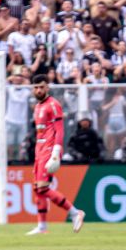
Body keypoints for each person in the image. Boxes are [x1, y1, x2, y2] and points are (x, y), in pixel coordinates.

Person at [26, 74, 85, 235]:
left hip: (49, 149)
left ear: (47, 87)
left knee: (43, 188)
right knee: (38, 189)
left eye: (41, 87)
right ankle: (42, 226)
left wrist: (56, 152)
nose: (38, 90)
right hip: (39, 150)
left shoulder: (53, 104)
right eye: (36, 87)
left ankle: (75, 213)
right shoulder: (37, 107)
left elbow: (59, 130)